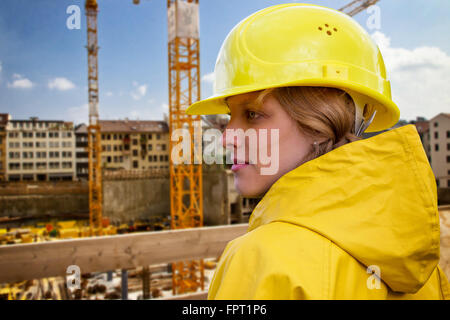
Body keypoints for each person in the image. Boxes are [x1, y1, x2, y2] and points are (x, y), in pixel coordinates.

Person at [185, 3, 450, 299]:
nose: (226, 139)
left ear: (322, 122)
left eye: (252, 114)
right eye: (228, 117)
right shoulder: (416, 264)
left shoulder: (261, 261)